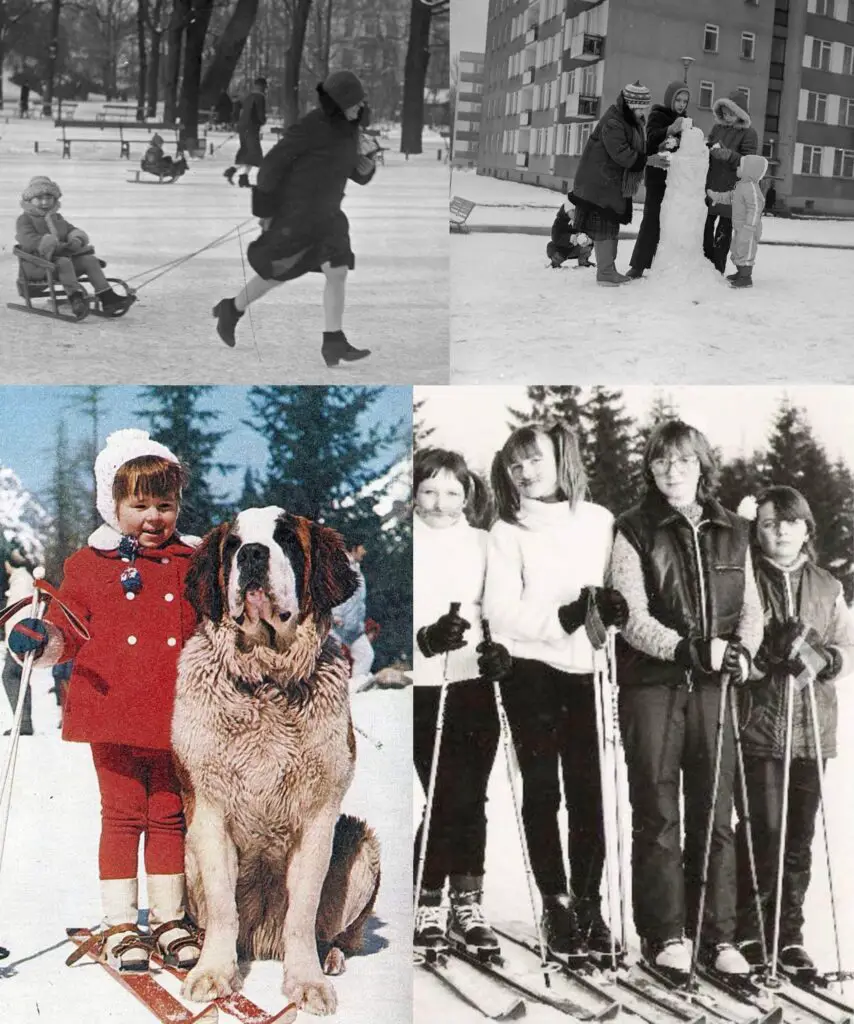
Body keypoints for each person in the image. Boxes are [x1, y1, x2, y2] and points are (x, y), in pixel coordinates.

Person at [8, 429, 202, 973]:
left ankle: (168, 917)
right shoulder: (89, 565)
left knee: (168, 816)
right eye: (139, 505)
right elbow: (66, 629)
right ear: (112, 506)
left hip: (177, 713)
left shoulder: (195, 560)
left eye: (165, 504)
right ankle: (120, 921)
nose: (154, 517)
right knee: (121, 815)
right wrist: (39, 639)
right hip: (112, 709)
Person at [608, 420, 763, 977]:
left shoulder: (731, 531)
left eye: (683, 461)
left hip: (715, 688)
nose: (672, 471)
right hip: (653, 686)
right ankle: (665, 933)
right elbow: (631, 615)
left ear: (702, 465)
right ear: (649, 469)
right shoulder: (634, 528)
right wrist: (688, 649)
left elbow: (751, 607)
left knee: (715, 812)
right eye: (660, 462)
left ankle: (716, 934)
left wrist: (743, 650)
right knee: (657, 809)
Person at [484, 423, 628, 960]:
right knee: (544, 790)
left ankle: (590, 902)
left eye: (535, 460)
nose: (526, 472)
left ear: (559, 458)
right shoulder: (507, 531)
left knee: (590, 792)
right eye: (516, 464)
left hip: (586, 669)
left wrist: (612, 609)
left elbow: (613, 588)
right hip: (531, 672)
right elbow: (500, 612)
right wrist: (560, 618)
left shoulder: (597, 521)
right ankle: (557, 902)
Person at [734, 487, 854, 978]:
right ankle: (750, 929)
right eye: (768, 523)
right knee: (762, 830)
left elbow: (847, 646)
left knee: (798, 839)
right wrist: (764, 657)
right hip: (760, 727)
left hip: (811, 730)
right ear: (756, 531)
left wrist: (827, 659)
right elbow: (736, 650)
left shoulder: (827, 585)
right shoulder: (744, 578)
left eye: (789, 521)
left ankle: (789, 936)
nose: (780, 530)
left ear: (807, 528)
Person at [413, 448, 510, 960]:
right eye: (429, 490)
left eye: (452, 492)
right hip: (426, 685)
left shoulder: (482, 542)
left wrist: (498, 651)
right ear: (414, 492)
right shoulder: (406, 541)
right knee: (445, 792)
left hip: (473, 681)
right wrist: (424, 639)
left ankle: (467, 901)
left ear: (468, 495)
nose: (440, 502)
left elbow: (498, 606)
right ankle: (427, 897)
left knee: (472, 794)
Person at [213, 70, 377, 367]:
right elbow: (270, 167)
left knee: (337, 272)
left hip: (328, 216)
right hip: (297, 216)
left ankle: (334, 341)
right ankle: (232, 309)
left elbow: (355, 172)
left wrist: (367, 167)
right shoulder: (310, 127)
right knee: (275, 275)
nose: (359, 108)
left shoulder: (351, 131)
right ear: (337, 103)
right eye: (353, 103)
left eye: (360, 103)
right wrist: (265, 212)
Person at [15, 176, 135, 320]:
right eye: (39, 198)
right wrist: (52, 244)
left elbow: (71, 229)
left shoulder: (57, 218)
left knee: (89, 260)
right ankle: (75, 297)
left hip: (60, 264)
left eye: (49, 198)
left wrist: (76, 239)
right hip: (37, 265)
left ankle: (107, 297)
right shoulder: (25, 220)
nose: (45, 202)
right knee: (63, 262)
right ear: (30, 200)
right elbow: (28, 241)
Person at [568, 81, 650, 287]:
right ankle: (605, 272)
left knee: (610, 225)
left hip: (608, 182)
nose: (642, 112)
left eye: (644, 108)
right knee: (605, 225)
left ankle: (608, 269)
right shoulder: (615, 122)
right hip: (601, 182)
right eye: (639, 108)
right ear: (629, 104)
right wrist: (647, 160)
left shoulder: (627, 120)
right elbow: (621, 153)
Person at [626, 81, 690, 280]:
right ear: (670, 99)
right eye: (678, 100)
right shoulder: (658, 114)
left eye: (685, 101)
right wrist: (671, 129)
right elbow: (652, 140)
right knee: (651, 220)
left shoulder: (684, 119)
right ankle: (638, 266)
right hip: (656, 175)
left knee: (671, 222)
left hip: (675, 178)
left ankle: (663, 264)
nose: (681, 104)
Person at [703, 92, 759, 274]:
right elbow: (708, 146)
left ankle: (717, 269)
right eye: (724, 112)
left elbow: (748, 162)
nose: (726, 116)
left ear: (740, 113)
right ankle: (704, 266)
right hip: (711, 186)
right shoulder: (717, 128)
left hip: (732, 190)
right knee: (704, 229)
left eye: (730, 112)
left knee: (723, 233)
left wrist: (730, 155)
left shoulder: (749, 133)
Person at [707, 154, 768, 289]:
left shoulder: (752, 188)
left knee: (746, 251)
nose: (738, 168)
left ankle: (746, 278)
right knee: (738, 249)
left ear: (749, 170)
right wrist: (716, 196)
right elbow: (731, 197)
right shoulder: (741, 185)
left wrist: (749, 228)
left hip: (749, 228)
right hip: (740, 226)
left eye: (741, 166)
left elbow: (755, 209)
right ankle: (740, 273)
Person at [332, 539, 374, 690]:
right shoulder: (342, 567)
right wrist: (335, 614)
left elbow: (358, 601)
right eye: (363, 547)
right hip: (335, 625)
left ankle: (356, 691)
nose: (365, 552)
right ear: (354, 548)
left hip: (353, 627)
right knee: (331, 663)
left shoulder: (356, 568)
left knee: (366, 655)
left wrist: (360, 625)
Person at [2, 552, 36, 737]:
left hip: (19, 637)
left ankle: (23, 722)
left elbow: (19, 612)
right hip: (20, 636)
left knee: (11, 675)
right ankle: (23, 721)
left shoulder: (21, 581)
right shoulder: (21, 580)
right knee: (15, 676)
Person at [223, 76, 267, 187]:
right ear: (263, 87)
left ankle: (243, 178)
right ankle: (234, 172)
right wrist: (262, 121)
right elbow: (260, 114)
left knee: (247, 152)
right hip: (252, 128)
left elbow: (240, 110)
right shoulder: (260, 97)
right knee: (253, 154)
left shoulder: (249, 97)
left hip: (243, 127)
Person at [546, 197, 593, 269]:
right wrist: (570, 238)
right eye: (573, 211)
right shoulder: (560, 221)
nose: (576, 214)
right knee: (552, 247)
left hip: (577, 247)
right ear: (567, 210)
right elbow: (556, 236)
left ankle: (583, 260)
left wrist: (587, 238)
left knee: (589, 243)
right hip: (563, 248)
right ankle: (556, 261)